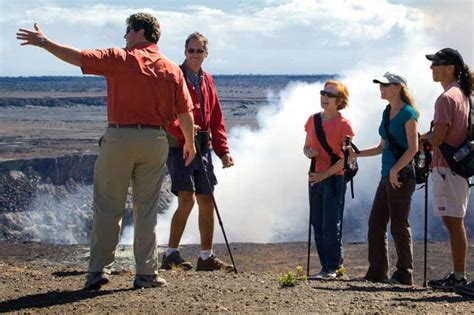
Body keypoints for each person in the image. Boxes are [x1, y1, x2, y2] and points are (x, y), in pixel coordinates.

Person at [16, 13, 196, 290]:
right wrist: (189, 142)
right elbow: (185, 112)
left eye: (127, 31)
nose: (124, 36)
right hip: (155, 140)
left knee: (108, 206)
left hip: (119, 138)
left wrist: (44, 43)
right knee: (146, 209)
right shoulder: (172, 69)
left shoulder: (120, 58)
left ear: (139, 32)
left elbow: (79, 57)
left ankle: (99, 270)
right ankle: (147, 273)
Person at [161, 32, 235, 272]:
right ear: (185, 52)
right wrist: (184, 132)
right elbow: (166, 114)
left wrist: (223, 151)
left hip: (203, 147)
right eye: (191, 51)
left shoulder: (208, 80)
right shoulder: (175, 77)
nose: (194, 55)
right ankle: (170, 254)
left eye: (199, 51)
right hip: (179, 147)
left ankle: (206, 257)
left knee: (206, 199)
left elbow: (216, 118)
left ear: (206, 53)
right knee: (186, 198)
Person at [352, 72, 419, 285]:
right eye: (380, 85)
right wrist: (357, 153)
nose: (382, 89)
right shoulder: (387, 111)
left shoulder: (408, 114)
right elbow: (382, 147)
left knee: (399, 225)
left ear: (398, 87)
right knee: (376, 223)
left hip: (400, 178)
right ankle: (377, 272)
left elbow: (413, 148)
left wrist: (395, 170)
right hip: (387, 175)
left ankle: (404, 274)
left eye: (386, 85)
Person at [422, 48, 473, 292]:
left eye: (437, 64)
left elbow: (439, 136)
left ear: (450, 68)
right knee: (453, 220)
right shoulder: (462, 94)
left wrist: (421, 139)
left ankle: (460, 276)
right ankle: (458, 275)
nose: (432, 68)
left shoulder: (445, 98)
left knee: (453, 221)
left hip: (447, 168)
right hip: (458, 167)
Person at [304, 80, 354, 279]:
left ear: (340, 101)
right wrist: (309, 153)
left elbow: (347, 158)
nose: (324, 97)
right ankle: (326, 267)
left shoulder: (344, 126)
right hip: (315, 176)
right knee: (317, 222)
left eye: (330, 95)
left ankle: (332, 267)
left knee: (331, 223)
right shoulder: (312, 120)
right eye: (323, 93)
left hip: (334, 179)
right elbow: (306, 146)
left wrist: (323, 175)